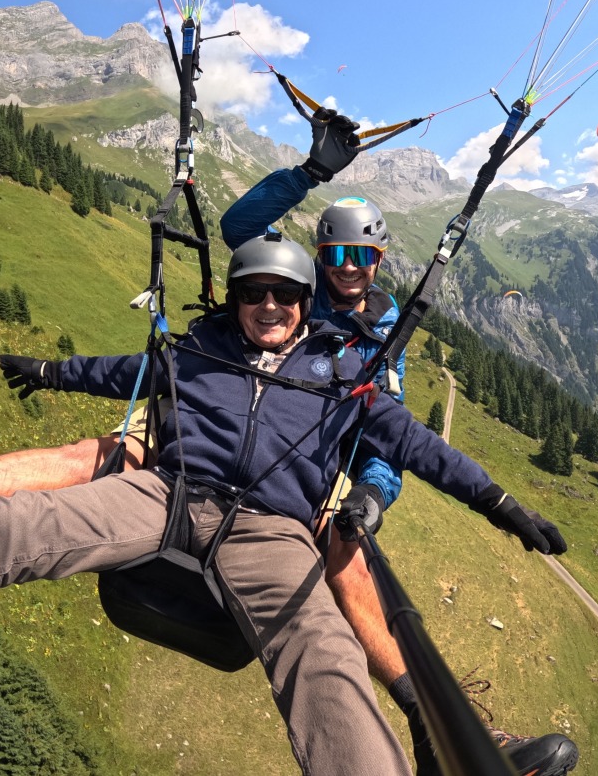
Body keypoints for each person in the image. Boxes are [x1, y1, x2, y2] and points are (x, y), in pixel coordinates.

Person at [0, 233, 569, 776]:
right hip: (166, 494)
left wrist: (503, 506)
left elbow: (422, 448)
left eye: (285, 297)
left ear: (304, 303)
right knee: (15, 527)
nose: (269, 308)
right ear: (238, 299)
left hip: (271, 532)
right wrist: (48, 371)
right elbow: (121, 373)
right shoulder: (200, 350)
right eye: (254, 294)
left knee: (321, 651)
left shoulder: (342, 377)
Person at [220, 110, 577, 775]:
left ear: (379, 259)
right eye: (339, 255)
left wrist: (373, 496)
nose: (350, 268)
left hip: (314, 471)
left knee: (354, 557)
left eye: (364, 256)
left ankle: (444, 730)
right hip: (239, 437)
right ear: (320, 255)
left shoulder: (387, 327)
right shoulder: (289, 287)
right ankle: (443, 729)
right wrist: (311, 174)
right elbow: (238, 230)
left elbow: (390, 429)